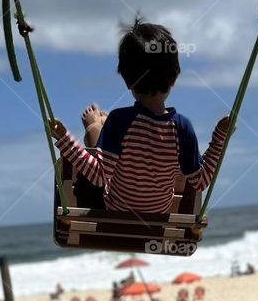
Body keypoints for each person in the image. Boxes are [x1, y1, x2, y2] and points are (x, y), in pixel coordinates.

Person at [48, 17, 231, 215]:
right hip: (158, 214)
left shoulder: (120, 121)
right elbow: (201, 181)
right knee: (106, 137)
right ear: (174, 76)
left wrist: (65, 140)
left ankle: (94, 127)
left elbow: (99, 176)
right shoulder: (182, 128)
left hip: (114, 211)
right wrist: (220, 137)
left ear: (127, 80)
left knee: (95, 138)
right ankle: (98, 127)